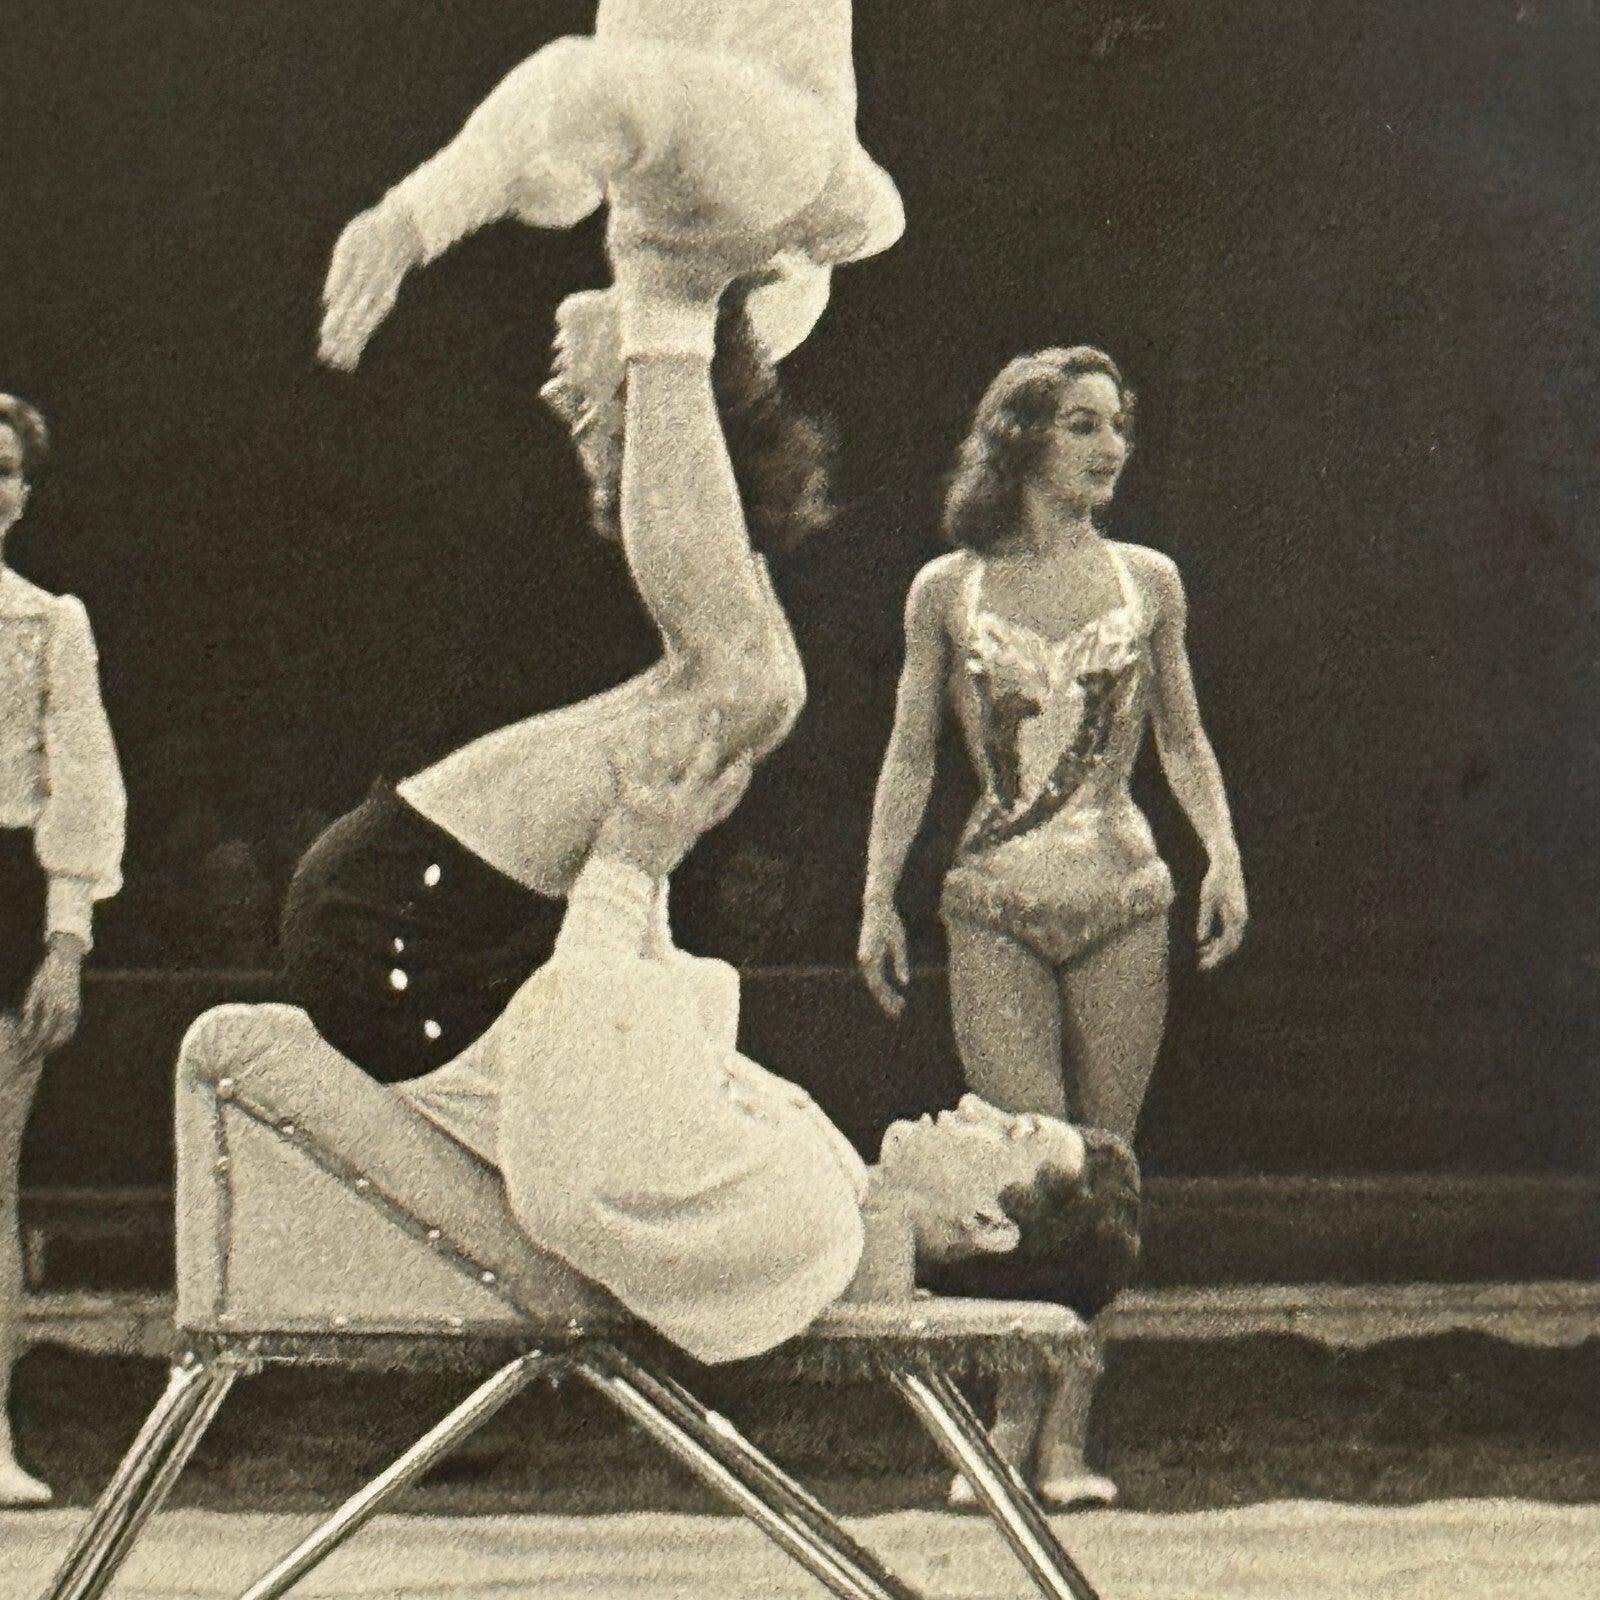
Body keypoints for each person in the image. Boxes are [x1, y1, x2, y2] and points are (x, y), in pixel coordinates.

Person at [388, 722, 1142, 1363]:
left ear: (989, 1224)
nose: (978, 1103)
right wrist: (650, 866)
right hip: (443, 1006)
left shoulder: (810, 1228)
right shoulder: (827, 1199)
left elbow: (582, 1169)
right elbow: (646, 1069)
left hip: (404, 998)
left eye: (1012, 1131)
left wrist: (625, 868)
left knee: (736, 701)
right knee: (704, 724)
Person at [284, 249, 829, 1087]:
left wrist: (672, 329)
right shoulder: (740, 658)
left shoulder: (743, 635)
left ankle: (671, 331)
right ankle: (670, 330)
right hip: (393, 932)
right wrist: (668, 329)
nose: (552, 395)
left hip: (404, 930)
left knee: (758, 686)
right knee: (748, 687)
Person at [857, 347, 1248, 1506]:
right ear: (1023, 437)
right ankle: (1002, 1431)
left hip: (1124, 893)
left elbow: (1180, 738)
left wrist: (1222, 850)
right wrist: (876, 890)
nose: (1110, 446)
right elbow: (908, 751)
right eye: (1084, 426)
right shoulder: (947, 588)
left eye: (1117, 425)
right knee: (1010, 1175)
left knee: (1101, 1175)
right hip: (992, 902)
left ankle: (1065, 1441)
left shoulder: (1148, 580)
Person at [316, 0, 904, 374]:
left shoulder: (768, 151)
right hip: (752, 238)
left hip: (774, 214)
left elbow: (578, 98)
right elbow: (568, 176)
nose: (560, 389)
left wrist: (410, 220)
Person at [0, 394, 126, 1505]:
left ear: (24, 495)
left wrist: (66, 939)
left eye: (1, 470)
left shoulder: (49, 622)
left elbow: (81, 784)